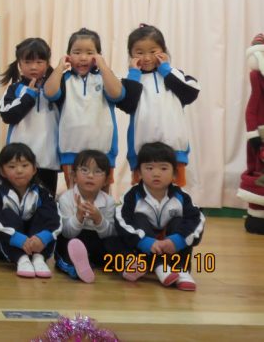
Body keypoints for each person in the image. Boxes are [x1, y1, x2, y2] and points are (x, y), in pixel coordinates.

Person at [43, 28, 130, 188]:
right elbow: (49, 93)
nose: (83, 57)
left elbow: (117, 94)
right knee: (74, 195)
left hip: (103, 150)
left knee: (102, 197)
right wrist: (60, 68)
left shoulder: (104, 77)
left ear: (98, 55)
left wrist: (103, 66)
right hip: (70, 150)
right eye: (77, 52)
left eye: (90, 53)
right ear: (68, 55)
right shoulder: (64, 78)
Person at [116, 142, 205, 291]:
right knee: (139, 218)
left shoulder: (182, 197)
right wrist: (144, 241)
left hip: (172, 248)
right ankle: (159, 267)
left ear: (174, 174)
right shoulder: (132, 196)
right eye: (149, 168)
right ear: (139, 173)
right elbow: (122, 221)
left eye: (163, 168)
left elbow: (197, 220)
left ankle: (180, 270)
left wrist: (178, 240)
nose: (156, 174)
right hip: (145, 250)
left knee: (180, 221)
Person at [121, 24, 200, 187]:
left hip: (175, 149)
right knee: (142, 193)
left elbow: (191, 93)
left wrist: (165, 70)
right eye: (139, 52)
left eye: (153, 51)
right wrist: (134, 74)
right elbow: (127, 104)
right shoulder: (131, 79)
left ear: (163, 50)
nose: (147, 58)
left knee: (175, 192)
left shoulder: (173, 74)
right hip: (142, 151)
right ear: (131, 55)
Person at [0, 143, 61, 279]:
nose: (19, 171)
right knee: (7, 214)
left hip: (36, 244)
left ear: (34, 169)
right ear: (2, 171)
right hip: (5, 244)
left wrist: (43, 237)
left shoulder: (42, 192)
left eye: (25, 165)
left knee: (45, 214)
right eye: (12, 166)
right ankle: (22, 259)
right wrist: (16, 238)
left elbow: (56, 219)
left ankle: (38, 258)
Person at [0, 37, 60, 196]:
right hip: (20, 161)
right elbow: (7, 115)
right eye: (28, 62)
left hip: (48, 159)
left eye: (39, 62)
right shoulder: (14, 89)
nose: (34, 67)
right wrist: (29, 96)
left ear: (47, 63)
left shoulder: (55, 88)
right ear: (19, 63)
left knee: (46, 202)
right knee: (17, 200)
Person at [55, 150, 123, 283]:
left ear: (106, 180)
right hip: (74, 239)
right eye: (84, 170)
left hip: (97, 241)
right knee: (65, 246)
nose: (90, 176)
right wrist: (78, 217)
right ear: (74, 176)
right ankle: (77, 269)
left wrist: (99, 219)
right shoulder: (66, 198)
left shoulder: (108, 201)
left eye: (98, 171)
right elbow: (67, 232)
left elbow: (109, 233)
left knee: (114, 244)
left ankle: (127, 267)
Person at [239, 33, 264, 234]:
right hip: (261, 138)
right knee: (259, 174)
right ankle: (257, 216)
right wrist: (255, 138)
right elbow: (252, 110)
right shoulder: (257, 78)